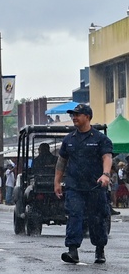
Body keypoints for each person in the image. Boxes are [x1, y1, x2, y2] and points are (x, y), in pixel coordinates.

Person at [54, 103, 113, 264]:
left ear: (87, 117)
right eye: (73, 114)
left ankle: (99, 250)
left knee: (97, 218)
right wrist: (57, 181)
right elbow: (62, 161)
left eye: (77, 114)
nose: (74, 117)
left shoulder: (100, 139)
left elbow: (107, 157)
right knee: (74, 215)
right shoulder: (69, 139)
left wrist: (105, 174)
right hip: (74, 186)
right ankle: (72, 251)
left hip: (95, 186)